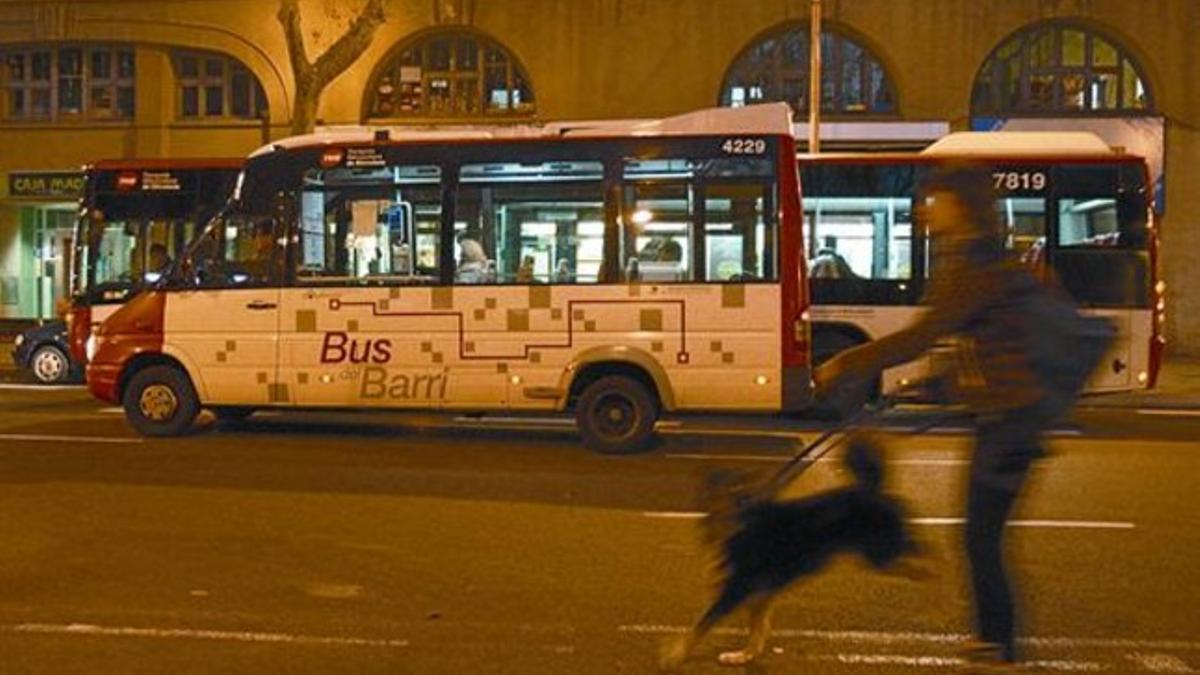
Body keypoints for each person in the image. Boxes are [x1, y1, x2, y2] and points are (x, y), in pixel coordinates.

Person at [815, 164, 1050, 672]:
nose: (924, 209)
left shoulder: (977, 264)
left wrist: (843, 362)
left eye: (933, 199)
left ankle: (999, 648)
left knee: (980, 535)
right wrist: (931, 387)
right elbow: (976, 344)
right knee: (980, 533)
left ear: (960, 204)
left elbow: (922, 336)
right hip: (1005, 417)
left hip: (1012, 423)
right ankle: (994, 641)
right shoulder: (970, 260)